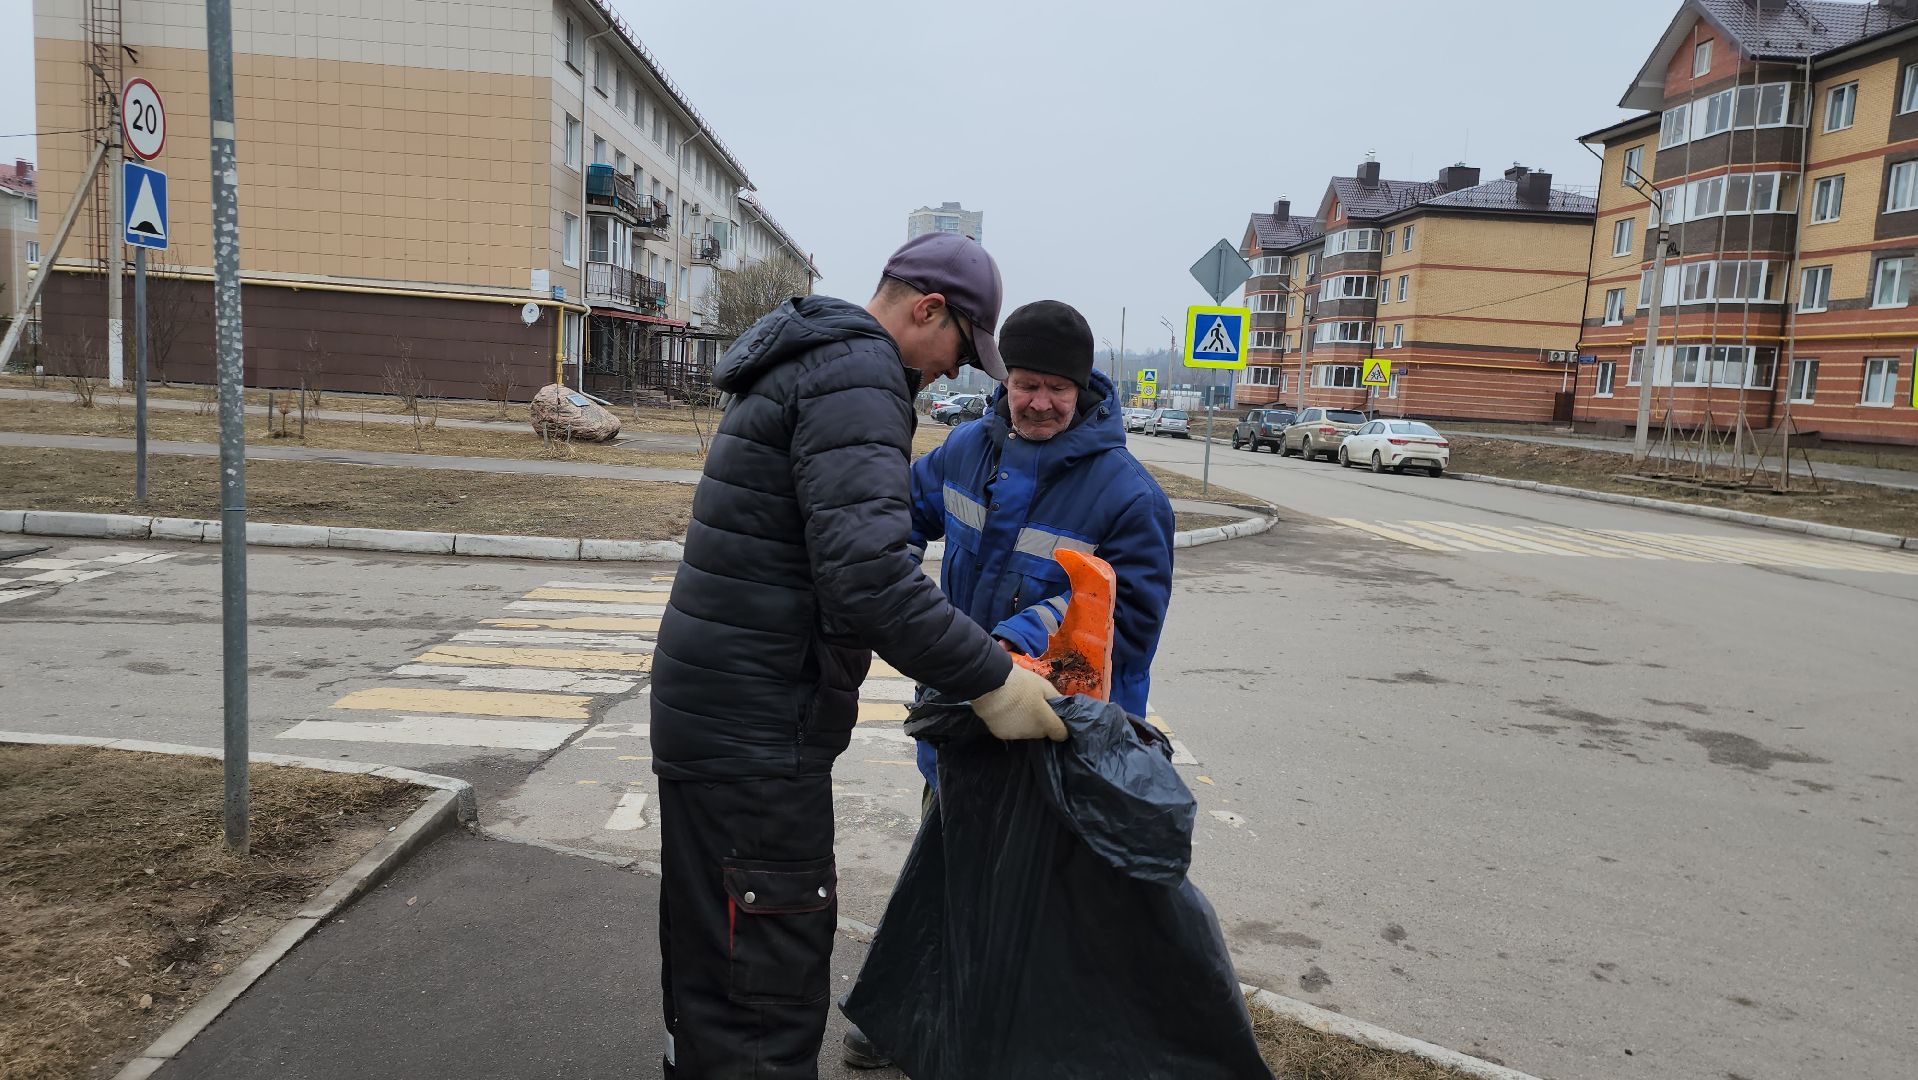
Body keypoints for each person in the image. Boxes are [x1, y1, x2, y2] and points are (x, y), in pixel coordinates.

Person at [649, 234, 1067, 1080]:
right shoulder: (861, 376)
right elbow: (870, 577)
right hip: (757, 734)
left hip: (722, 714)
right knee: (762, 989)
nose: (954, 374)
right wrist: (992, 682)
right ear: (926, 310)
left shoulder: (811, 357)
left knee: (717, 967)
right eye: (960, 349)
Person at [841, 300, 1177, 1070]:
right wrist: (875, 575)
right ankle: (908, 1018)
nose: (1040, 402)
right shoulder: (965, 452)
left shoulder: (1127, 495)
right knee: (944, 872)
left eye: (1058, 388)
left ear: (1085, 389)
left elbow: (1124, 624)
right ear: (1005, 379)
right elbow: (894, 516)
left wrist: (1002, 652)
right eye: (1026, 383)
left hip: (1057, 736)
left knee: (1046, 902)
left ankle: (1033, 1044)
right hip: (961, 719)